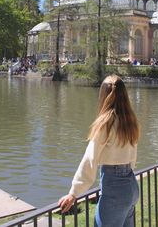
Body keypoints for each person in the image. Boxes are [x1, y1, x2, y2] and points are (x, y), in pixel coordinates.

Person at [58, 74, 140, 227]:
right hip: (131, 185)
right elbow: (133, 155)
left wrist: (74, 192)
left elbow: (90, 159)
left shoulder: (106, 123)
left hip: (115, 187)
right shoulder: (130, 120)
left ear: (103, 95)